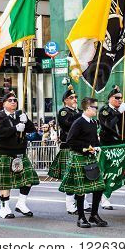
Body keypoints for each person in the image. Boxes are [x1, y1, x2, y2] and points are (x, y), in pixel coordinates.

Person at [0, 91, 39, 219]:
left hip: (20, 152)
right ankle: (4, 208)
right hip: (5, 153)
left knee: (29, 180)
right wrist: (15, 128)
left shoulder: (20, 114)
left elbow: (32, 130)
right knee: (5, 183)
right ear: (3, 103)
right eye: (10, 100)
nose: (13, 102)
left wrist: (26, 121)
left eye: (15, 100)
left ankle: (21, 203)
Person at [59, 97, 107, 228]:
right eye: (95, 107)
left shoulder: (93, 122)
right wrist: (85, 148)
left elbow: (94, 139)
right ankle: (81, 217)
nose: (97, 109)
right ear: (87, 108)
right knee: (81, 189)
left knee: (99, 187)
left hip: (90, 158)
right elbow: (70, 141)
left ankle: (94, 215)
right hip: (79, 157)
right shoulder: (78, 122)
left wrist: (97, 146)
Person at [48, 85, 84, 215]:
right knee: (70, 177)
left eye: (75, 97)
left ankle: (82, 202)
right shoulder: (64, 112)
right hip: (69, 148)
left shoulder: (79, 111)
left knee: (81, 177)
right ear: (65, 101)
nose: (75, 99)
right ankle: (70, 204)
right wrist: (81, 115)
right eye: (71, 97)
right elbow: (68, 125)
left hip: (81, 147)